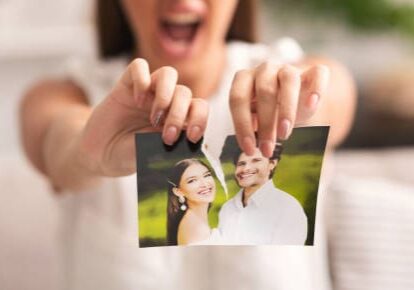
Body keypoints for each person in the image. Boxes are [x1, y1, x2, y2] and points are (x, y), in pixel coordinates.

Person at [20, 0, 356, 289]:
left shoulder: (289, 71)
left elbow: (333, 92)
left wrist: (299, 100)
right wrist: (88, 154)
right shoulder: (68, 93)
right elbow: (59, 141)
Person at [218, 143, 308, 245]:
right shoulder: (227, 208)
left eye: (256, 161)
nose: (246, 168)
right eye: (241, 163)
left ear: (272, 164)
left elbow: (286, 257)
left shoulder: (288, 207)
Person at [166, 158, 220, 245]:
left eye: (206, 175)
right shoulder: (195, 227)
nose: (205, 184)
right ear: (178, 191)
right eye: (192, 181)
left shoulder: (193, 219)